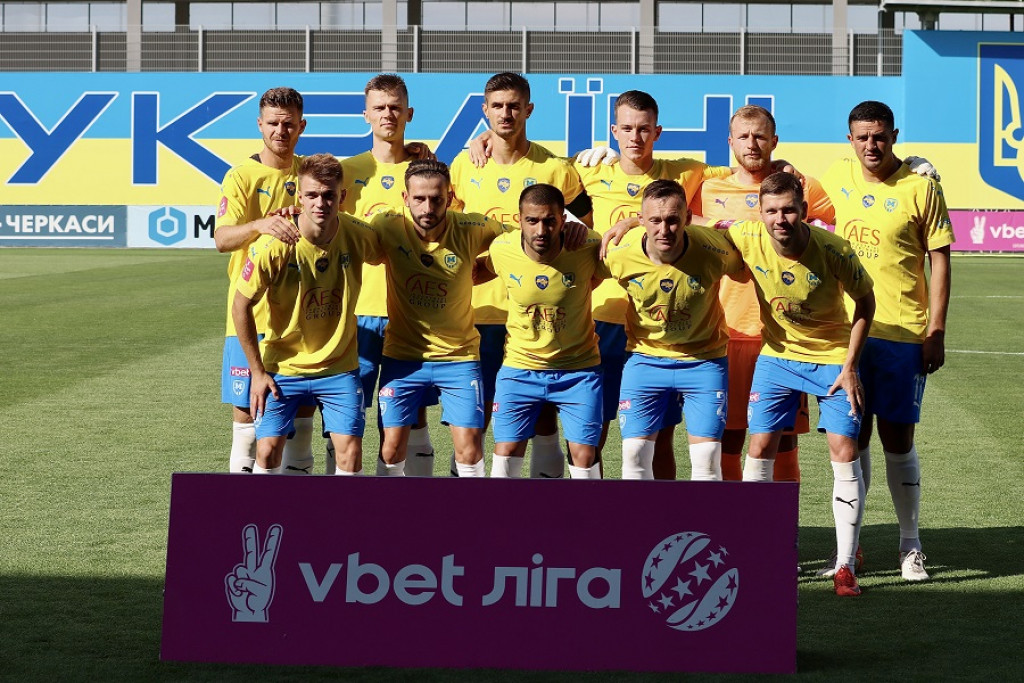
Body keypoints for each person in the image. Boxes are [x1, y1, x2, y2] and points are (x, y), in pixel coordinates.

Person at [820, 100, 954, 582]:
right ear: (849, 139)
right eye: (862, 137)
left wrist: (936, 330)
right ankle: (850, 549)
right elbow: (780, 189)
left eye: (879, 136)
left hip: (903, 334)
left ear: (894, 135)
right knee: (850, 441)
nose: (871, 145)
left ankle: (910, 546)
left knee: (897, 439)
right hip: (846, 336)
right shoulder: (835, 177)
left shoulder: (922, 186)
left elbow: (940, 260)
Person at [725, 172, 875, 597]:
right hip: (777, 358)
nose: (781, 219)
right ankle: (758, 553)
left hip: (831, 360)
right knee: (759, 448)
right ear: (759, 212)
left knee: (844, 452)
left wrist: (850, 365)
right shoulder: (745, 236)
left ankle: (846, 565)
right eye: (771, 210)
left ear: (804, 211)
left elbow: (866, 303)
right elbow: (694, 231)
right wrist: (631, 222)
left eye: (789, 210)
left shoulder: (833, 249)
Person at [576, 90, 731, 479]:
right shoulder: (588, 170)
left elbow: (744, 173)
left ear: (657, 132)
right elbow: (533, 169)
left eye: (644, 129)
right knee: (592, 433)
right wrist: (484, 139)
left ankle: (662, 511)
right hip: (602, 319)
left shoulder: (684, 172)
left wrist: (781, 164)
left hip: (658, 329)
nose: (635, 137)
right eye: (626, 128)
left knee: (659, 437)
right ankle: (593, 508)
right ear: (613, 131)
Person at [449, 71, 593, 479]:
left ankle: (544, 503)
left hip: (538, 316)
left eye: (514, 105)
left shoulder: (555, 169)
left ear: (528, 109)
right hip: (477, 312)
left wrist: (576, 232)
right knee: (473, 421)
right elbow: (448, 230)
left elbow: (586, 225)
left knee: (543, 418)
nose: (506, 113)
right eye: (497, 106)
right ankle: (470, 503)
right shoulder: (464, 164)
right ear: (485, 111)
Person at [693, 105, 836, 483]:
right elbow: (671, 216)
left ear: (774, 141)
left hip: (784, 338)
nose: (752, 143)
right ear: (730, 142)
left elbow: (850, 216)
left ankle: (781, 520)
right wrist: (718, 224)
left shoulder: (799, 186)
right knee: (727, 440)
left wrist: (909, 167)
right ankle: (732, 519)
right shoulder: (708, 189)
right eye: (743, 136)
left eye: (760, 136)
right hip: (725, 334)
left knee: (783, 441)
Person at [231, 154, 382, 474]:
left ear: (342, 196)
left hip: (339, 368)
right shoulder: (273, 245)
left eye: (329, 195)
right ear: (299, 196)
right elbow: (240, 305)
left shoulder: (359, 234)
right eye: (312, 195)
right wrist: (257, 372)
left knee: (350, 452)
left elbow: (396, 256)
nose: (320, 203)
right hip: (283, 366)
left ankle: (341, 510)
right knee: (267, 451)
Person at [372, 159, 509, 477]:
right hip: (402, 357)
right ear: (405, 198)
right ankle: (387, 509)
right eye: (419, 199)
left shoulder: (472, 227)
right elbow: (337, 234)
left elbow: (524, 239)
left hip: (459, 357)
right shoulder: (386, 226)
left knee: (470, 449)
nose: (427, 208)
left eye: (436, 199)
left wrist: (487, 268)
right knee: (390, 448)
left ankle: (469, 510)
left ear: (449, 198)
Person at [604, 179, 743, 480]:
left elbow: (746, 270)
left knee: (707, 460)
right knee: (634, 454)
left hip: (703, 359)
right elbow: (582, 274)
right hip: (645, 359)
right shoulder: (618, 252)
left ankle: (702, 514)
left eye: (672, 220)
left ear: (688, 218)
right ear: (640, 220)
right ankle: (642, 514)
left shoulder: (714, 249)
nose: (664, 230)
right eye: (654, 220)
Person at [214, 86, 319, 475]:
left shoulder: (310, 173)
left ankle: (296, 503)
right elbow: (222, 239)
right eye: (273, 123)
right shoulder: (241, 176)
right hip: (251, 315)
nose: (281, 131)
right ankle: (243, 504)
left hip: (301, 317)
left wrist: (418, 152)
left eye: (289, 124)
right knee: (247, 423)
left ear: (301, 126)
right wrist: (261, 225)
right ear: (260, 124)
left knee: (301, 423)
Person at [341, 73, 437, 477]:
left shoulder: (428, 171)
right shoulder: (345, 172)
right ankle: (342, 504)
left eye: (395, 107)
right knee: (346, 420)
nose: (388, 114)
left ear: (409, 113)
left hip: (410, 314)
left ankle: (411, 508)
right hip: (356, 312)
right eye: (379, 107)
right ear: (365, 115)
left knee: (409, 419)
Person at [482, 184, 607, 479]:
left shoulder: (587, 245)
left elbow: (634, 252)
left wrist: (627, 223)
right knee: (506, 453)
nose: (541, 230)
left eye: (550, 221)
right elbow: (475, 270)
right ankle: (502, 511)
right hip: (520, 367)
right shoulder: (501, 249)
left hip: (578, 370)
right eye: (532, 221)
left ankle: (589, 511)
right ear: (519, 220)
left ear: (563, 219)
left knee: (585, 456)